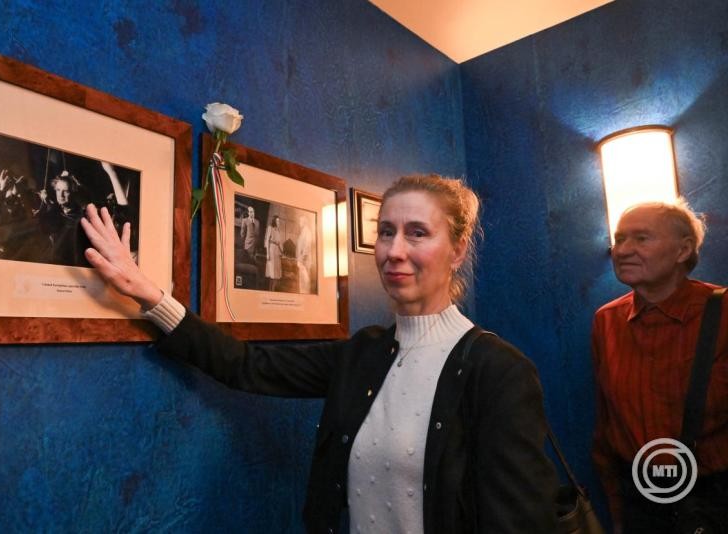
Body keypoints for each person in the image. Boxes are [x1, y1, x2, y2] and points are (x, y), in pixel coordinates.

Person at [80, 174, 558, 533]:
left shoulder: (498, 371)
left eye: (417, 233)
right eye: (386, 231)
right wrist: (147, 294)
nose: (394, 250)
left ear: (457, 251)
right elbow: (247, 366)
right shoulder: (364, 353)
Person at [591, 199, 728, 533]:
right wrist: (618, 514)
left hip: (715, 498)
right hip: (640, 503)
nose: (623, 250)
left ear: (683, 250)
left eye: (641, 238)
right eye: (619, 239)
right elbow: (607, 428)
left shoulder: (723, 312)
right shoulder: (607, 321)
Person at [264, 215, 283, 291]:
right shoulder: (270, 228)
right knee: (271, 272)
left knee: (276, 274)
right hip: (271, 250)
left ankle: (273, 290)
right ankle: (270, 290)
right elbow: (267, 241)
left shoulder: (278, 231)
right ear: (274, 221)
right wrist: (267, 254)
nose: (278, 222)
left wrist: (281, 252)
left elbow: (280, 243)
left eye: (279, 221)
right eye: (277, 221)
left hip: (277, 252)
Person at [296, 214, 314, 294]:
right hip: (301, 261)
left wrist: (301, 259)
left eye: (301, 221)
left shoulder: (308, 232)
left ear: (304, 222)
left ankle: (306, 297)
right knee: (302, 283)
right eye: (299, 221)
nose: (299, 222)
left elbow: (307, 247)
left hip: (305, 261)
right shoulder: (303, 232)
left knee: (305, 283)